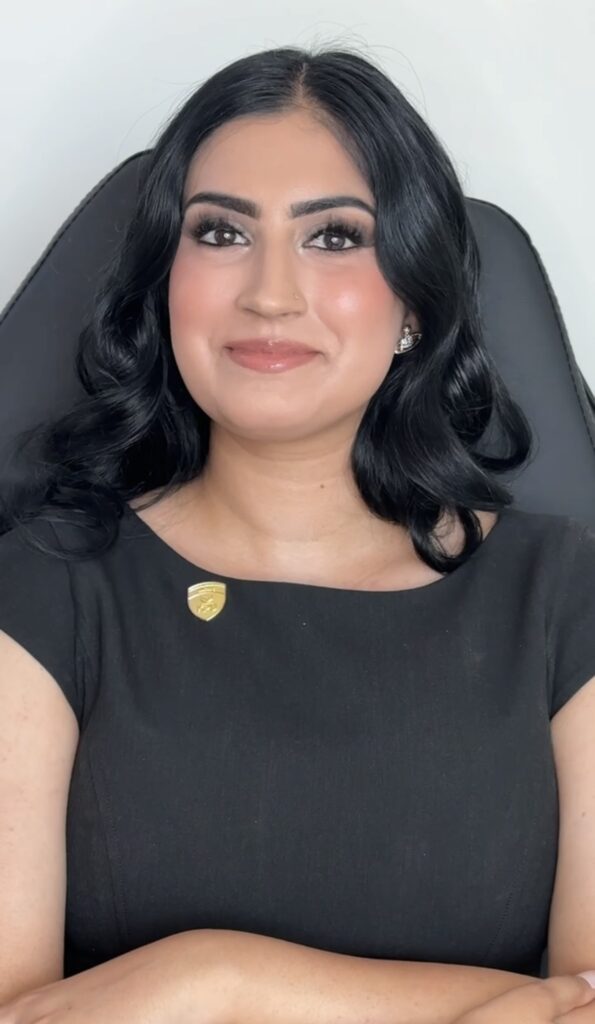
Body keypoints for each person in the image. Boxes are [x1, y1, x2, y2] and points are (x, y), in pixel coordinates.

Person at [1, 41, 595, 1024]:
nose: (269, 293)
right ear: (164, 283)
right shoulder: (42, 589)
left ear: (412, 302)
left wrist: (213, 982)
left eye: (333, 237)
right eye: (220, 232)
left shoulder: (567, 597)